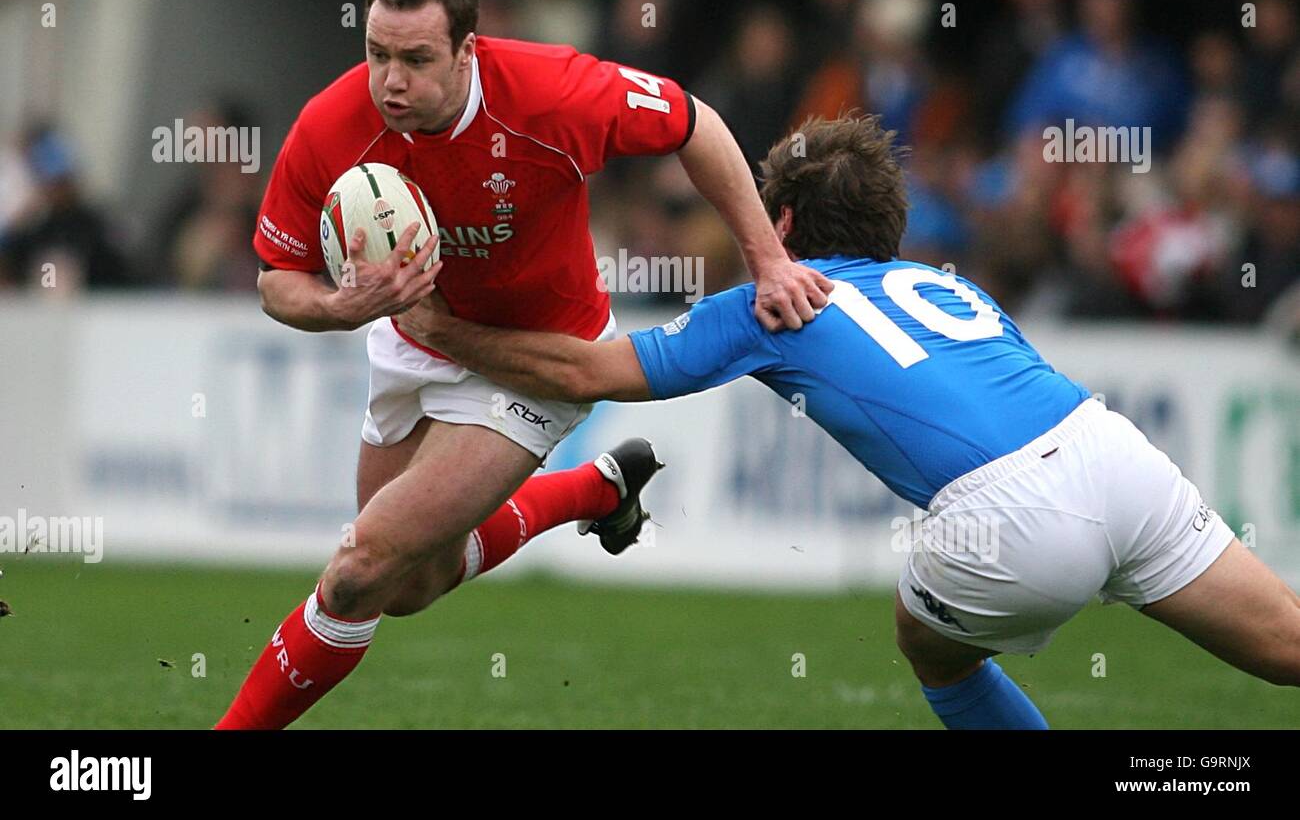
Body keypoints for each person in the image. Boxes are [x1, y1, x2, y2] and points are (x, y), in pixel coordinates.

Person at [399, 113, 1300, 729]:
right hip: (1113, 452)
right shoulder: (948, 281)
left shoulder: (774, 300)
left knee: (929, 647)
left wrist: (446, 330)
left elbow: (586, 368)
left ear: (780, 220)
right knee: (1287, 645)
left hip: (1013, 514)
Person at [216, 0, 831, 729]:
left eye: (415, 58)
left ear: (468, 49)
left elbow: (692, 121)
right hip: (414, 337)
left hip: (538, 359)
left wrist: (768, 260)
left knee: (356, 569)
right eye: (376, 54)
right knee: (403, 586)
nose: (391, 80)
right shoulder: (333, 122)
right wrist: (343, 308)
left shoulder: (554, 92)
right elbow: (277, 277)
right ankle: (595, 488)